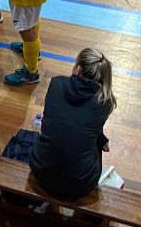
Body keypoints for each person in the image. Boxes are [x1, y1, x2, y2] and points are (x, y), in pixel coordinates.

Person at [28, 48, 116, 199]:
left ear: (78, 69)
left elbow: (66, 118)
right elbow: (87, 122)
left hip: (40, 171)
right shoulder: (104, 102)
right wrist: (100, 139)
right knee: (94, 144)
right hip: (80, 185)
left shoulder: (56, 84)